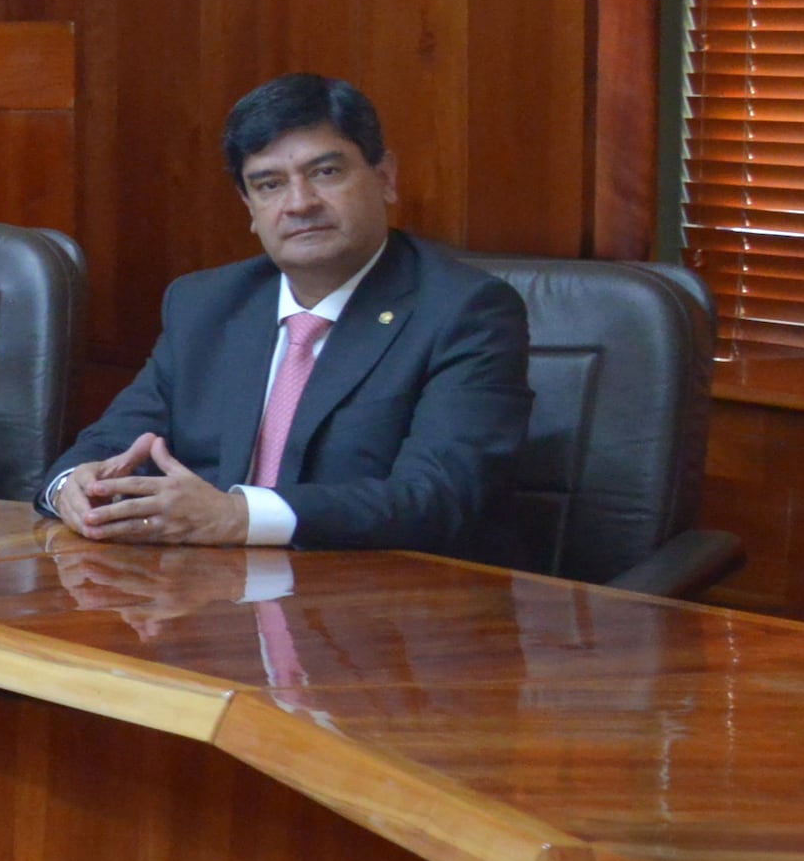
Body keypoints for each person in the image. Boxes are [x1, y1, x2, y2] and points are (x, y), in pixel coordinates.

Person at [46, 72, 527, 554]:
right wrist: (75, 486)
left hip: (380, 590)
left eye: (326, 173)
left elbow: (437, 498)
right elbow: (109, 441)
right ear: (249, 207)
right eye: (270, 184)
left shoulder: (465, 311)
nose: (300, 204)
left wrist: (238, 516)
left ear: (385, 178)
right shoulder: (205, 304)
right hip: (205, 587)